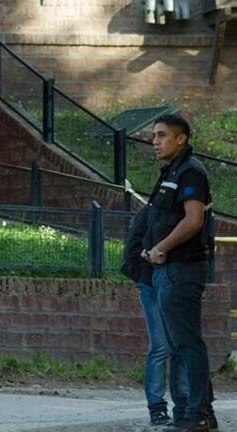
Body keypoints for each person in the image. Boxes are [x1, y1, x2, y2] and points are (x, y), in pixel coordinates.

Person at [141, 114, 217, 432]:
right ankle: (193, 413)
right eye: (153, 136)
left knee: (187, 344)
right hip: (166, 269)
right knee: (178, 345)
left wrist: (161, 248)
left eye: (161, 135)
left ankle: (198, 413)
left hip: (182, 269)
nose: (155, 141)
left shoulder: (191, 171)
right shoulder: (171, 171)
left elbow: (193, 220)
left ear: (181, 138)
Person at [122, 206, 188, 427]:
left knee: (176, 346)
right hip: (152, 281)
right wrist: (141, 272)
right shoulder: (153, 210)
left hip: (172, 282)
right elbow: (133, 246)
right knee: (161, 346)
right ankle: (157, 407)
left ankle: (181, 404)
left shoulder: (185, 212)